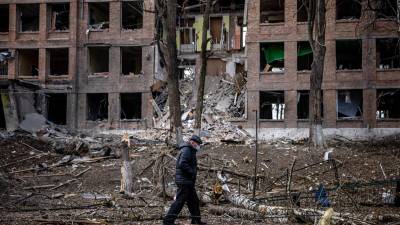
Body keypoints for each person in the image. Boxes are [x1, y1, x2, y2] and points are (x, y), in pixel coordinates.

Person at [163, 135, 207, 225]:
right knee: (179, 202)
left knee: (193, 201)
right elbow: (182, 163)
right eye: (197, 144)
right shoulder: (187, 150)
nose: (198, 146)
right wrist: (192, 172)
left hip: (188, 181)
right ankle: (168, 222)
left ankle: (196, 220)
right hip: (184, 181)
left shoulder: (190, 150)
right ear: (192, 142)